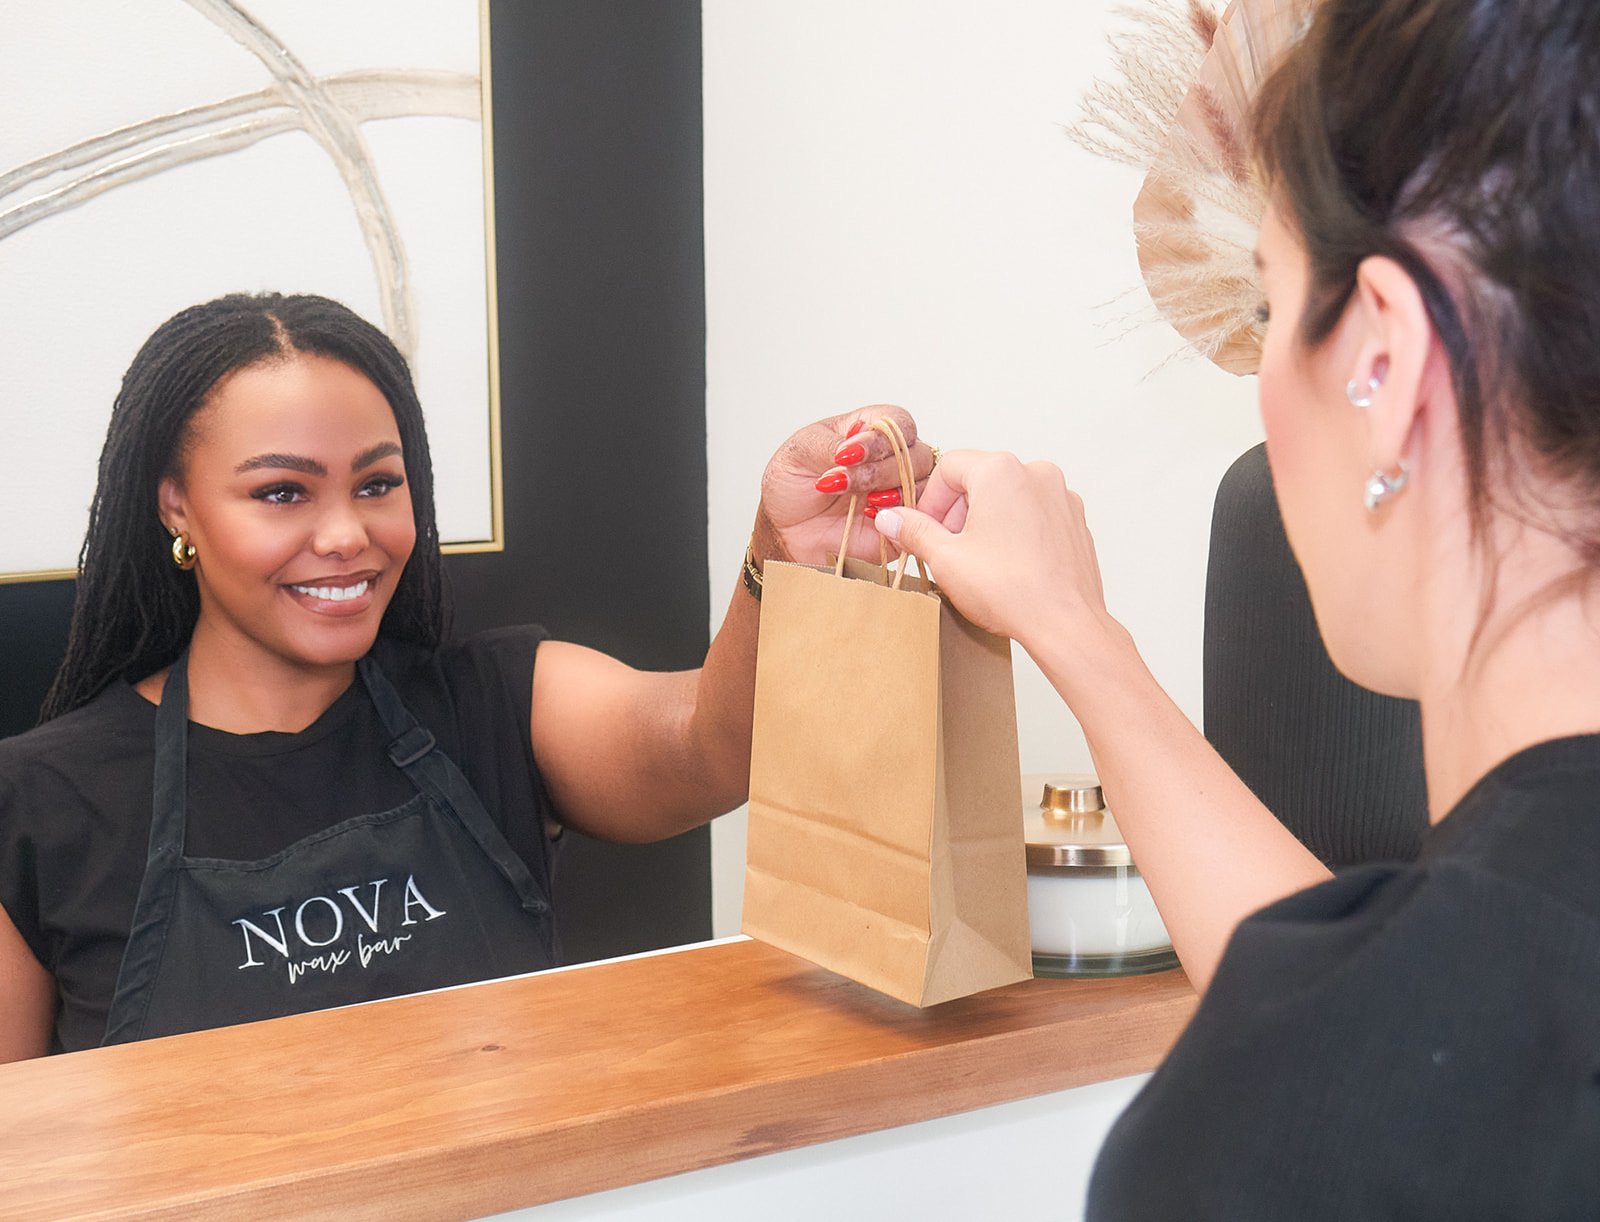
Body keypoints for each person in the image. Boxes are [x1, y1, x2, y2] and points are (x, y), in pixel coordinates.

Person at [871, 0, 1600, 1215]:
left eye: (1268, 308)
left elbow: (1386, 1046)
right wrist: (1075, 633)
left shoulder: (1287, 1136)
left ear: (1383, 362)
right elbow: (1381, 983)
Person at [0, 292, 930, 1059]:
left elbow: (708, 747)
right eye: (282, 492)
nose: (346, 534)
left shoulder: (498, 704)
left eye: (377, 484)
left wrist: (783, 554)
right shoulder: (39, 805)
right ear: (177, 507)